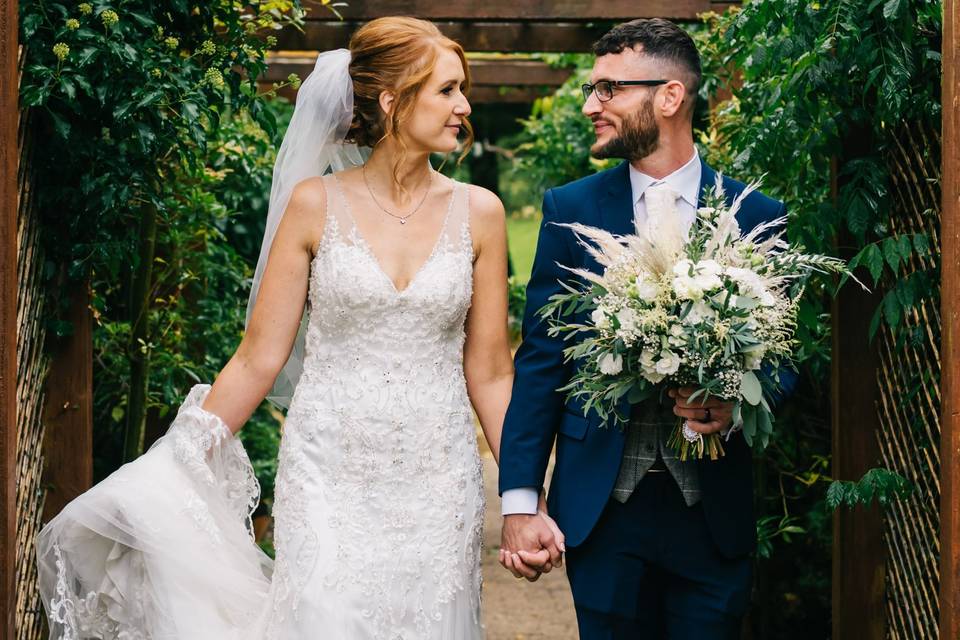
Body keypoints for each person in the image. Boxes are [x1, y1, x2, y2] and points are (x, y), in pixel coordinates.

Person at [36, 16, 561, 639]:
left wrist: (524, 499)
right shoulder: (314, 204)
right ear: (392, 100)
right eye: (447, 89)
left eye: (463, 88)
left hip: (436, 477)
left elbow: (493, 372)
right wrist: (179, 459)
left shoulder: (482, 212)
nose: (464, 105)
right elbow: (259, 357)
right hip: (327, 469)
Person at [497, 18, 796, 639]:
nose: (590, 105)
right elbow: (541, 360)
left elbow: (784, 359)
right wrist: (520, 502)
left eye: (608, 90)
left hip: (712, 512)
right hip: (604, 509)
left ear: (668, 97)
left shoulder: (757, 217)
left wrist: (735, 403)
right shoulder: (570, 210)